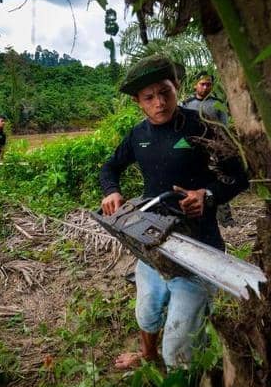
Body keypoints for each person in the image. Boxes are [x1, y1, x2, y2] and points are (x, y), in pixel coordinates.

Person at [99, 55, 249, 370]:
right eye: (149, 97)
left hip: (198, 243)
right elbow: (110, 167)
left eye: (165, 92)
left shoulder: (202, 128)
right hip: (152, 239)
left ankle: (185, 376)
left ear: (177, 87)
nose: (160, 102)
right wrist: (111, 190)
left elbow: (239, 176)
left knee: (179, 347)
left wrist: (207, 195)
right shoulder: (138, 135)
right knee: (147, 308)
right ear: (138, 102)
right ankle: (147, 355)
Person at [181, 71, 235, 226]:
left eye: (208, 84)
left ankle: (226, 220)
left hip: (214, 148)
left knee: (220, 180)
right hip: (193, 148)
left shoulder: (218, 104)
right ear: (195, 85)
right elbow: (181, 129)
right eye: (202, 84)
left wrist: (224, 148)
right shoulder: (186, 104)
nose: (205, 87)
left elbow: (224, 128)